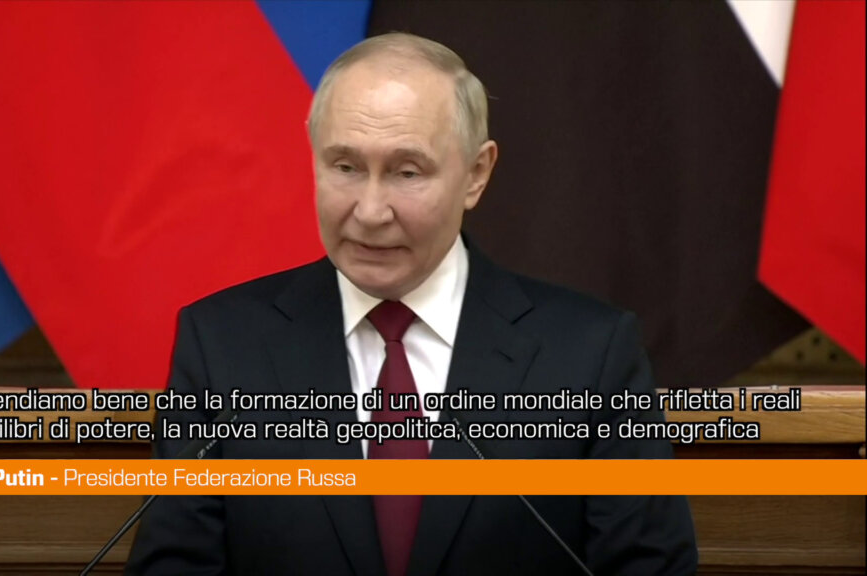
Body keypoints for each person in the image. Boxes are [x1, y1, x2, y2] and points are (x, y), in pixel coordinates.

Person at [126, 32, 697, 576]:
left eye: (406, 172)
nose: (370, 211)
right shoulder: (222, 344)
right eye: (345, 167)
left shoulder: (591, 353)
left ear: (476, 174)